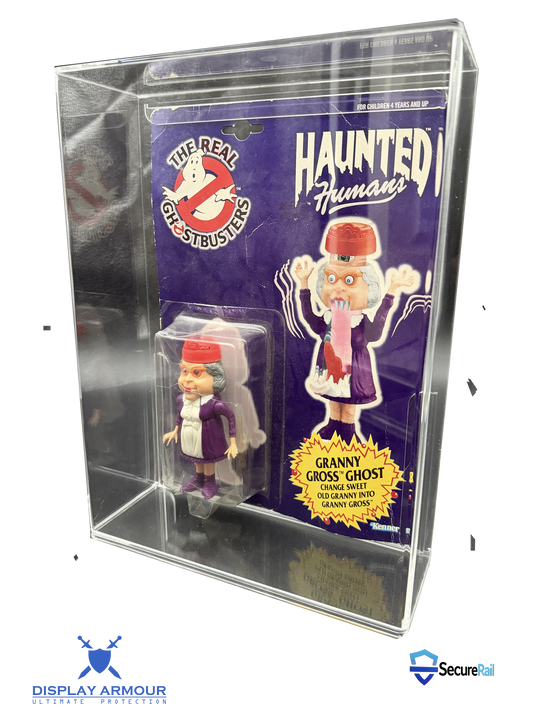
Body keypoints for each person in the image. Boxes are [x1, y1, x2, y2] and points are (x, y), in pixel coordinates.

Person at [294, 220, 415, 444]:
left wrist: (392, 290)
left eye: (349, 280)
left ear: (370, 286)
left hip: (355, 367)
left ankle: (347, 427)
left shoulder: (360, 320)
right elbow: (310, 318)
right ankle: (333, 423)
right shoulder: (328, 318)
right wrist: (303, 284)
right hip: (329, 364)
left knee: (349, 402)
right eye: (331, 278)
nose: (338, 287)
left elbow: (376, 334)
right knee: (333, 397)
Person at [163, 336, 238, 500]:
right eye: (184, 371)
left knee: (207, 460)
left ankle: (210, 482)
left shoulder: (214, 404)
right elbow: (180, 415)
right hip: (189, 436)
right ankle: (198, 478)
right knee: (195, 458)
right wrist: (175, 430)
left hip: (208, 439)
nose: (187, 379)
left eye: (196, 373)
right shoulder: (181, 399)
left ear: (216, 378)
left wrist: (233, 442)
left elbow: (231, 416)